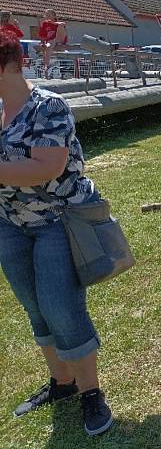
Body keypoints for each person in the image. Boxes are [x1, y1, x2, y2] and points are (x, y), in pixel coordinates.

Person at [0, 31, 113, 435]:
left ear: (8, 66)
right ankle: (62, 384)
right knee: (35, 307)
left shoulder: (48, 106)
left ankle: (91, 393)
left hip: (55, 222)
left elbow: (46, 167)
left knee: (61, 308)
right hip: (10, 223)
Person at [37, 9, 68, 76]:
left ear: (54, 16)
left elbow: (63, 24)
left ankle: (59, 44)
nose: (47, 16)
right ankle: (46, 66)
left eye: (49, 15)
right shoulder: (45, 24)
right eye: (46, 15)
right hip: (51, 41)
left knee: (60, 26)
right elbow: (42, 36)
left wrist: (52, 22)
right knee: (48, 46)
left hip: (60, 39)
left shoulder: (57, 23)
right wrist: (43, 43)